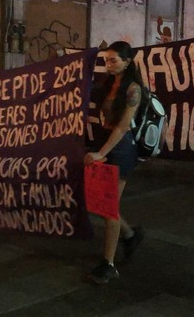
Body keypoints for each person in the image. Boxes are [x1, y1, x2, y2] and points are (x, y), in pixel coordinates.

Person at [84, 41, 145, 284]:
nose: (108, 65)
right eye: (106, 60)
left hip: (121, 149)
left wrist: (101, 153)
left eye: (113, 60)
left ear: (127, 62)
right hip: (106, 143)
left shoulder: (133, 89)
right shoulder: (108, 83)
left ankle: (108, 264)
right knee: (102, 204)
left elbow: (122, 127)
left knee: (108, 206)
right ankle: (130, 236)